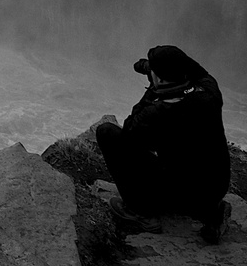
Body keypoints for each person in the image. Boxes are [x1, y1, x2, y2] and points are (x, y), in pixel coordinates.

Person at [96, 45, 232, 244]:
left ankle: (140, 211)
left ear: (159, 79)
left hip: (177, 190)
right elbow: (196, 69)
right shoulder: (209, 90)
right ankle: (213, 213)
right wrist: (159, 69)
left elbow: (130, 130)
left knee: (107, 133)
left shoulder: (157, 114)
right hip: (214, 188)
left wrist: (153, 88)